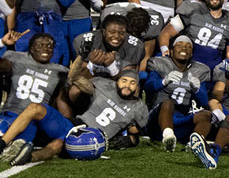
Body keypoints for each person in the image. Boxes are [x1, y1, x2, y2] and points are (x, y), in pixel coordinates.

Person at [0, 69, 148, 165]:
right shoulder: (104, 85)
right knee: (35, 108)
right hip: (77, 124)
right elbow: (75, 78)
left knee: (58, 145)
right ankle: (3, 143)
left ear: (137, 87)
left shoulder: (139, 107)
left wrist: (131, 140)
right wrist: (82, 58)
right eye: (124, 81)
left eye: (132, 82)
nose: (127, 85)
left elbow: (136, 131)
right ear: (117, 82)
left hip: (93, 141)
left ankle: (29, 157)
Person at [0, 31, 69, 164]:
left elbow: (61, 99)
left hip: (33, 122)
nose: (45, 49)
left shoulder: (60, 71)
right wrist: (2, 43)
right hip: (11, 113)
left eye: (49, 46)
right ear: (31, 48)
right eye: (40, 45)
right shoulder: (16, 58)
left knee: (19, 145)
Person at [143, 36, 212, 151]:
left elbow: (205, 101)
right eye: (179, 45)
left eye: (188, 46)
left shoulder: (200, 70)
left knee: (206, 115)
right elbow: (148, 86)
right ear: (171, 50)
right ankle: (168, 136)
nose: (184, 48)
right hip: (158, 122)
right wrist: (163, 81)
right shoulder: (160, 63)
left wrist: (197, 90)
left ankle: (194, 144)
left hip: (181, 119)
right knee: (168, 103)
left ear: (192, 54)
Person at [158, 0, 229, 69]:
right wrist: (165, 50)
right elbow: (165, 34)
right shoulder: (193, 10)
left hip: (211, 70)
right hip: (186, 65)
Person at [71, 15, 145, 84]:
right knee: (75, 89)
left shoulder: (134, 47)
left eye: (121, 33)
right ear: (104, 32)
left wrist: (112, 67)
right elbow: (78, 78)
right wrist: (92, 65)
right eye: (112, 32)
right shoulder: (86, 42)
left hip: (116, 87)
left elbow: (126, 83)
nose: (116, 36)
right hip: (91, 84)